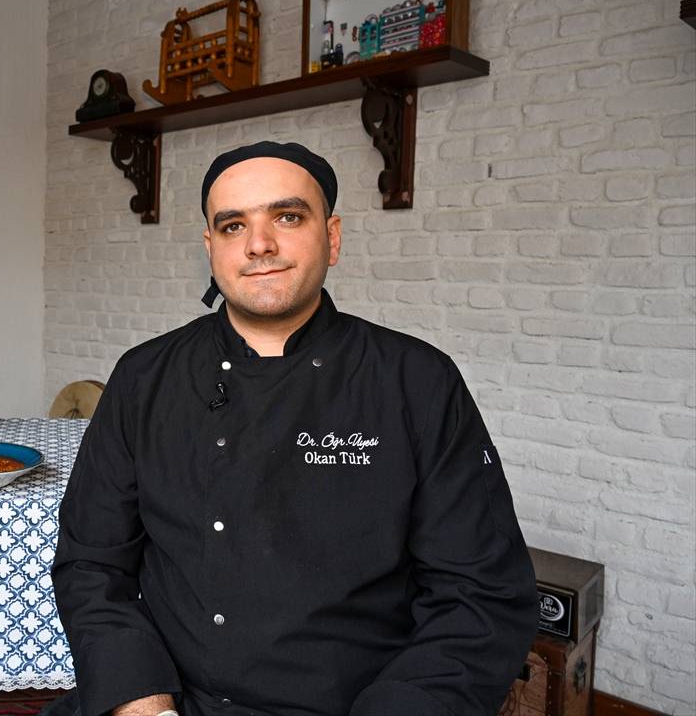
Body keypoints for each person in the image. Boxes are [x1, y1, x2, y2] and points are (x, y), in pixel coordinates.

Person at [50, 141, 538, 716]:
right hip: (170, 703)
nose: (259, 244)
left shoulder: (417, 380)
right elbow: (92, 564)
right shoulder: (143, 376)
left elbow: (480, 596)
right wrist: (145, 708)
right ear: (211, 248)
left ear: (332, 237)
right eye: (233, 225)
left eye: (286, 216)